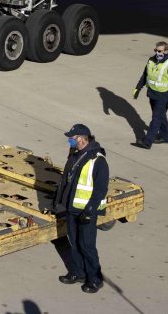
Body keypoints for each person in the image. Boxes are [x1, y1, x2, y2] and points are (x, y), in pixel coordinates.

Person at [54, 123, 109, 294]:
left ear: (81, 138)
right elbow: (67, 180)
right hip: (72, 208)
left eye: (72, 137)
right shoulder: (75, 155)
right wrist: (58, 202)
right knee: (74, 243)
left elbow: (101, 189)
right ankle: (78, 273)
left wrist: (90, 210)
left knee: (87, 246)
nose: (69, 140)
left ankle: (95, 279)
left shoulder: (98, 160)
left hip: (86, 211)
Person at [131, 40, 168, 149]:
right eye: (156, 50)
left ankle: (147, 142)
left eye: (160, 51)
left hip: (164, 96)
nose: (157, 53)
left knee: (156, 119)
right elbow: (145, 75)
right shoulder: (151, 60)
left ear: (166, 51)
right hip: (152, 94)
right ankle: (166, 136)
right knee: (160, 116)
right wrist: (138, 88)